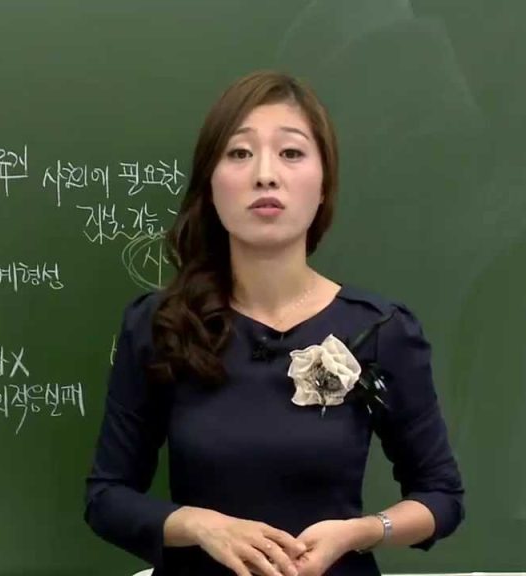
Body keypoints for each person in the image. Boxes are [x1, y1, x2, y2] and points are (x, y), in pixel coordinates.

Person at [84, 70, 464, 576]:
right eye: (240, 153)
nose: (265, 175)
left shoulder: (380, 329)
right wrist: (199, 525)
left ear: (323, 185)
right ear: (210, 185)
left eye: (291, 153)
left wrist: (361, 532)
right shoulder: (161, 325)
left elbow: (441, 496)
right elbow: (107, 498)